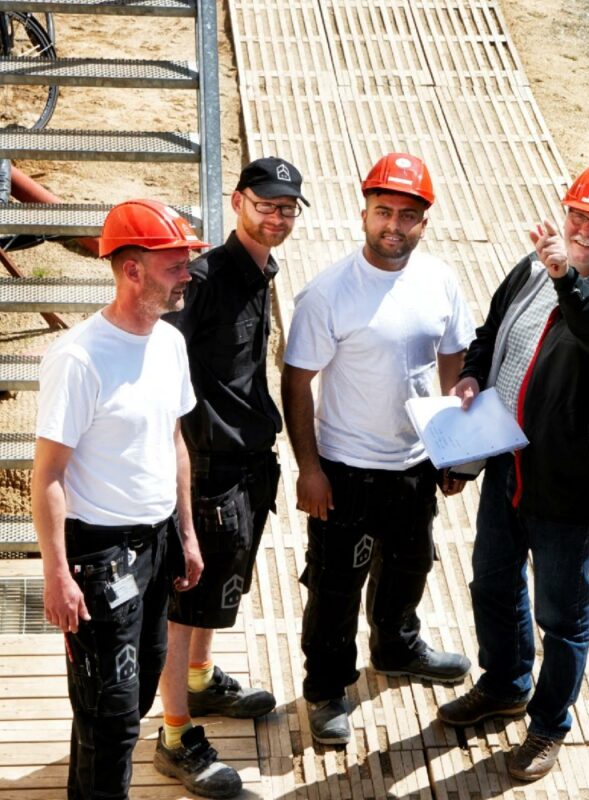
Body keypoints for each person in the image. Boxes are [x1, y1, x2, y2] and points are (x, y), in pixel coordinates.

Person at [436, 162, 589, 782]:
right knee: (490, 583)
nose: (584, 231)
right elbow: (489, 334)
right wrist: (475, 373)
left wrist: (565, 278)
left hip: (567, 488)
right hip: (508, 464)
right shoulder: (531, 270)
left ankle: (549, 723)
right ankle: (505, 682)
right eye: (578, 216)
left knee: (562, 615)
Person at [282, 152, 475, 746]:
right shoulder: (328, 293)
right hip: (345, 472)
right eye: (383, 211)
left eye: (407, 215)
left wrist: (450, 449)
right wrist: (309, 469)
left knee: (411, 565)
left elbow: (452, 357)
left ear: (425, 221)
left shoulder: (440, 280)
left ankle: (396, 647)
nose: (394, 224)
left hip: (414, 467)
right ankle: (325, 688)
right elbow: (296, 382)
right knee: (335, 587)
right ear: (363, 212)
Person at [32, 199, 209, 800]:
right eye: (174, 264)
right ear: (131, 269)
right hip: (99, 554)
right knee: (108, 717)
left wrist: (185, 533)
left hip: (157, 544)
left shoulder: (169, 343)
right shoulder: (80, 357)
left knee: (128, 704)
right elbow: (48, 475)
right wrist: (56, 574)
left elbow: (175, 443)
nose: (187, 273)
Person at [153, 158, 307, 793]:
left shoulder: (259, 272)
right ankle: (175, 733)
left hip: (244, 461)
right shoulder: (209, 277)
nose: (277, 216)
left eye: (288, 207)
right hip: (208, 466)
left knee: (216, 588)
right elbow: (161, 360)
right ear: (238, 201)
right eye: (265, 204)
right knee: (185, 598)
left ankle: (198, 680)